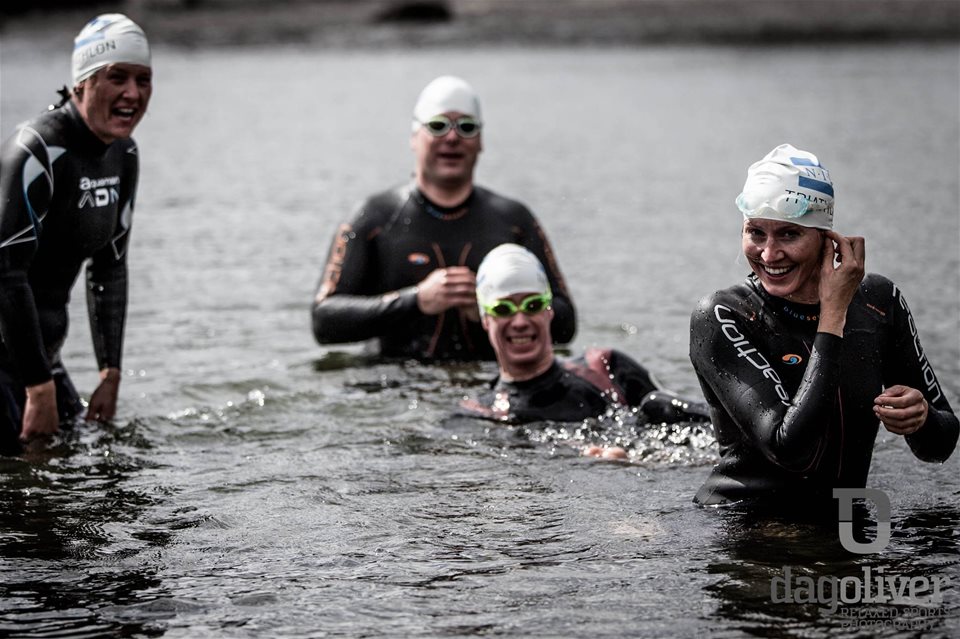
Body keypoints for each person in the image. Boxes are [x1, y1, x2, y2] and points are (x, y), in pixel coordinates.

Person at [689, 143, 958, 506]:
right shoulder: (724, 314)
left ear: (825, 238)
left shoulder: (879, 301)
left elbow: (939, 447)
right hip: (748, 528)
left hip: (840, 522)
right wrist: (833, 314)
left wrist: (921, 418)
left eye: (788, 234)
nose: (769, 254)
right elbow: (789, 449)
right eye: (756, 233)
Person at [311, 75, 575, 361]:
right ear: (414, 137)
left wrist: (493, 306)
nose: (452, 138)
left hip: (487, 388)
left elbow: (566, 323)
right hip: (392, 391)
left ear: (481, 140)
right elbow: (324, 321)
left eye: (466, 127)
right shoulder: (374, 218)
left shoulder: (513, 221)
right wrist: (416, 300)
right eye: (437, 126)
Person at [0, 14, 152, 454]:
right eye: (117, 77)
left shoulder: (123, 153)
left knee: (107, 461)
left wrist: (111, 371)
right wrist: (38, 389)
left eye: (143, 80)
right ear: (82, 82)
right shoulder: (36, 151)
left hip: (41, 361)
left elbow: (111, 265)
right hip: (14, 365)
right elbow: (7, 275)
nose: (132, 93)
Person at [460, 244, 709, 434]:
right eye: (503, 309)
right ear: (485, 319)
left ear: (549, 311)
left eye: (532, 305)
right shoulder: (482, 412)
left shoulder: (606, 367)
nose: (520, 321)